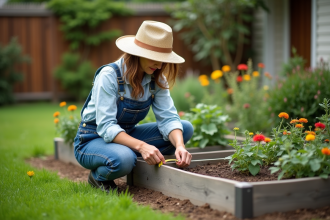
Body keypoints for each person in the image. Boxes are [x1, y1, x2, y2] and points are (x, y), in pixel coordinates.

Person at [73, 20, 194, 193]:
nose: (160, 66)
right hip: (92, 140)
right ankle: (98, 177)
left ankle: (129, 158)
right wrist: (142, 146)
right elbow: (106, 127)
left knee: (184, 129)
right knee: (124, 158)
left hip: (127, 137)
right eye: (156, 59)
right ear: (138, 53)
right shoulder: (109, 76)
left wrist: (180, 146)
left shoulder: (156, 79)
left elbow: (169, 118)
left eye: (163, 60)